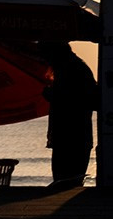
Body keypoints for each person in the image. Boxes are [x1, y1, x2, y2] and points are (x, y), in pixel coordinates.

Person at [39, 41, 97, 188]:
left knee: (65, 182)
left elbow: (82, 99)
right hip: (71, 137)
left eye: (47, 57)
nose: (46, 61)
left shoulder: (72, 70)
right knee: (67, 182)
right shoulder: (72, 68)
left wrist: (53, 95)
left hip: (73, 136)